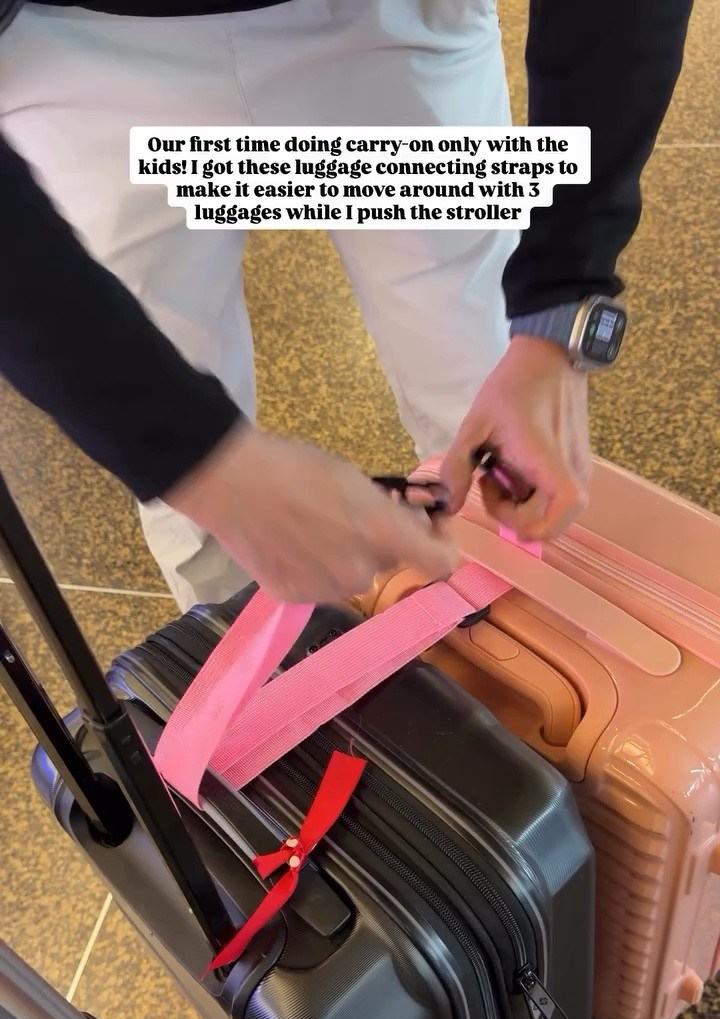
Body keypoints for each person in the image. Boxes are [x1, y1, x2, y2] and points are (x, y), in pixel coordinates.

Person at [0, 0, 692, 609]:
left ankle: (511, 651)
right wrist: (185, 454)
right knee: (203, 496)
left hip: (384, 23)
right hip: (66, 51)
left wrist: (559, 305)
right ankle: (242, 674)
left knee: (491, 412)